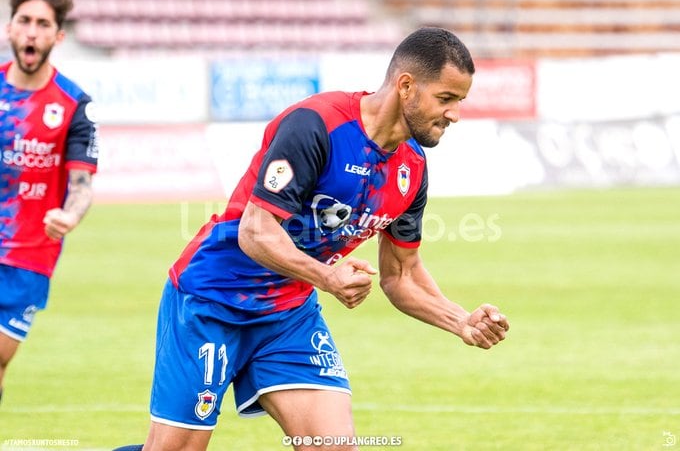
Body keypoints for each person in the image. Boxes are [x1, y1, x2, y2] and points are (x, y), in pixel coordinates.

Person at [115, 27, 509, 451]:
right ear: (407, 86)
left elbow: (402, 275)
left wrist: (460, 321)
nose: (454, 115)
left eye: (459, 102)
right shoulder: (317, 125)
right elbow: (255, 231)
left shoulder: (412, 168)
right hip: (212, 299)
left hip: (288, 317)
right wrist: (328, 277)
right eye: (446, 99)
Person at [0, 0, 98, 404]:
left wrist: (70, 215)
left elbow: (81, 184)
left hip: (28, 257)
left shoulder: (73, 104)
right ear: (10, 28)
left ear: (57, 35)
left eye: (42, 24)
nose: (32, 31)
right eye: (24, 21)